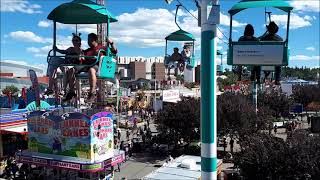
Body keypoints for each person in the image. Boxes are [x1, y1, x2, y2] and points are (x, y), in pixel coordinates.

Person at [76, 33, 118, 102]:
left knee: (91, 70)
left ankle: (92, 92)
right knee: (71, 70)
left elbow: (114, 51)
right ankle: (70, 92)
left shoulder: (102, 48)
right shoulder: (87, 51)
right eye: (88, 40)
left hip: (98, 66)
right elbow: (81, 57)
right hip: (88, 66)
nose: (88, 42)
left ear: (95, 40)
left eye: (90, 40)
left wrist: (111, 43)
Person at [52, 33, 84, 101]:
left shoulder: (80, 50)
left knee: (70, 71)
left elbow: (82, 59)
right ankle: (67, 90)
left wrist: (80, 57)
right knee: (66, 69)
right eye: (73, 40)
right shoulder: (70, 49)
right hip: (67, 65)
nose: (74, 42)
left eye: (76, 40)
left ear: (79, 42)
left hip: (74, 66)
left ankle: (66, 90)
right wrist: (57, 50)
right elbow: (63, 52)